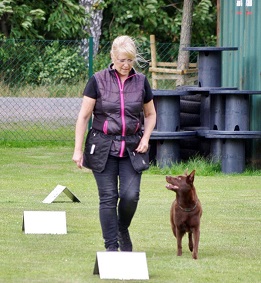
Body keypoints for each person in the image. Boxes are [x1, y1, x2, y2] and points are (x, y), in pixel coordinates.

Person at [72, 35, 156, 252]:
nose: (126, 65)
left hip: (132, 148)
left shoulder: (141, 82)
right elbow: (83, 117)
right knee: (108, 198)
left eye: (129, 60)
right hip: (102, 146)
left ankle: (122, 228)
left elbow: (150, 114)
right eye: (121, 60)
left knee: (130, 196)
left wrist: (146, 138)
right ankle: (111, 247)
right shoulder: (97, 80)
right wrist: (77, 150)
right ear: (112, 57)